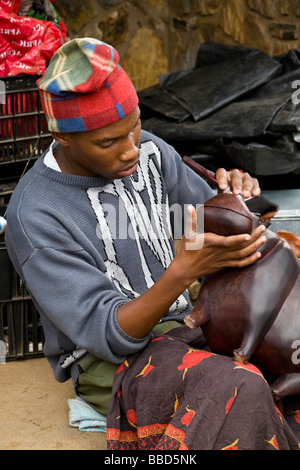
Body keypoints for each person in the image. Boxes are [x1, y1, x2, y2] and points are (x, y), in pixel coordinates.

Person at [5, 38, 300, 450]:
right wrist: (182, 272)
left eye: (135, 127)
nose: (130, 152)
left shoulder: (151, 153)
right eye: (108, 143)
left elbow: (212, 224)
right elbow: (109, 334)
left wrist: (238, 199)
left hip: (192, 322)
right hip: (113, 362)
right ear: (63, 137)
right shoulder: (37, 214)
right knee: (239, 390)